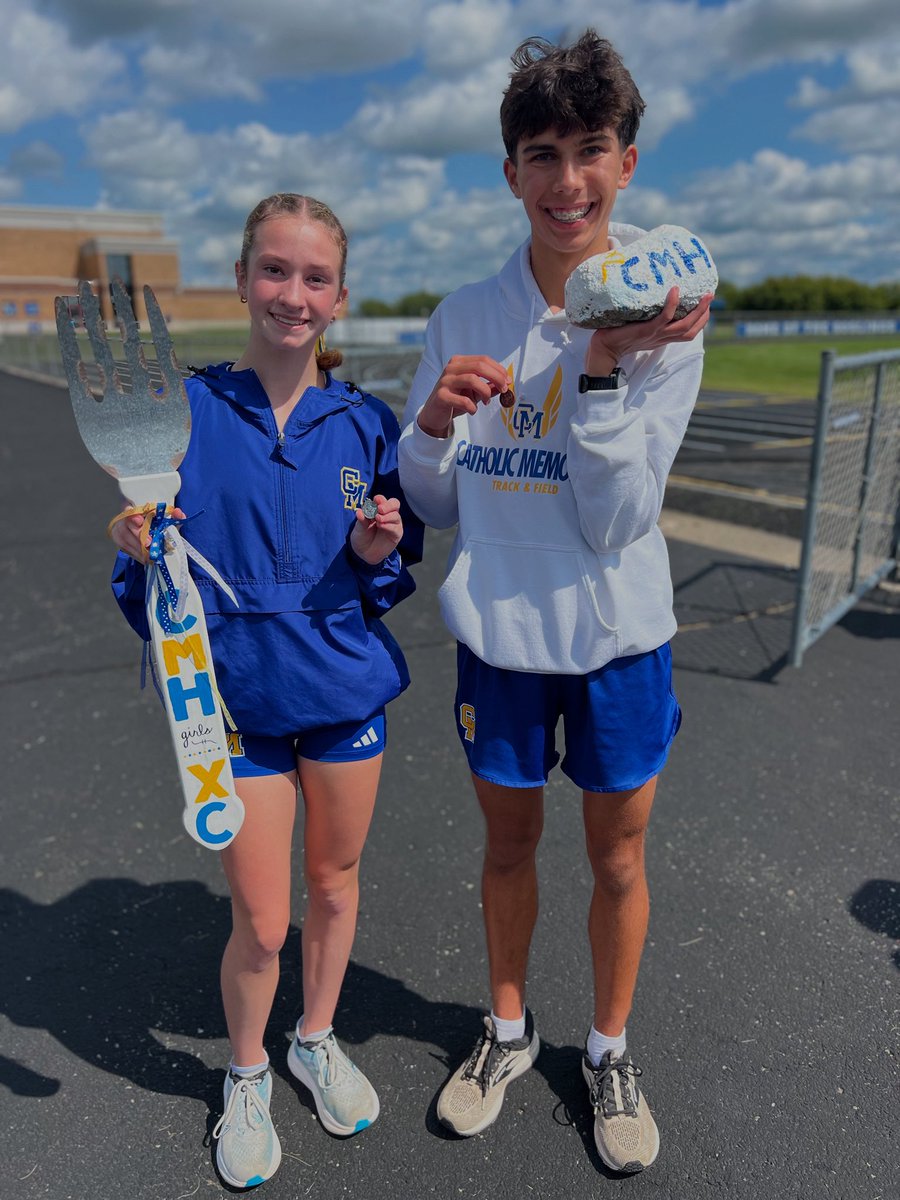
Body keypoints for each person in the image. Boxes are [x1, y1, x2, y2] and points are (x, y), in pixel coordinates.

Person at [398, 30, 712, 1174]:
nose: (567, 180)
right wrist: (430, 424)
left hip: (620, 636)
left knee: (618, 859)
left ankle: (609, 1048)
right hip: (502, 640)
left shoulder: (664, 315)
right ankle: (509, 1031)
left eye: (591, 150)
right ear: (510, 172)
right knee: (508, 845)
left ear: (626, 163)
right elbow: (429, 504)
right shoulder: (461, 316)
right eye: (542, 153)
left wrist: (596, 367)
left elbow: (619, 518)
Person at [110, 193, 422, 1189]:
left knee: (334, 887)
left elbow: (385, 570)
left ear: (339, 295)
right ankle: (246, 1074)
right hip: (233, 704)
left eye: (315, 277)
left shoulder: (366, 422)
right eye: (276, 271)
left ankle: (314, 1039)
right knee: (263, 921)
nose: (294, 295)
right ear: (245, 279)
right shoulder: (185, 412)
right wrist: (137, 548)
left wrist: (380, 548)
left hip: (339, 688)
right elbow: (150, 585)